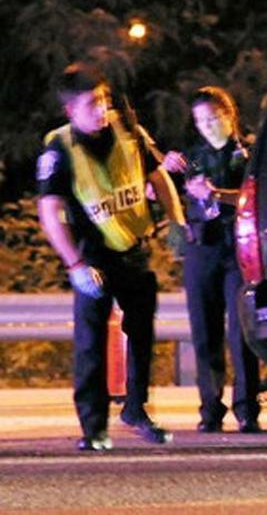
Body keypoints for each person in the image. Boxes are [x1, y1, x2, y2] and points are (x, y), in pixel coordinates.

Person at [37, 62, 187, 451]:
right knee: (91, 344)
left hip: (134, 250)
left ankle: (136, 409)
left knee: (141, 336)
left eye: (104, 99)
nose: (102, 109)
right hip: (92, 258)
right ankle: (93, 428)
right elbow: (50, 211)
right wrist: (74, 265)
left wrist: (176, 221)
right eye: (91, 103)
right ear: (71, 110)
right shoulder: (59, 149)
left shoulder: (128, 131)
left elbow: (158, 176)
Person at [166, 86, 261, 433]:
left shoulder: (248, 152)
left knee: (241, 332)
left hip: (237, 249)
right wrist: (165, 169)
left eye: (213, 118)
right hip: (202, 247)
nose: (208, 126)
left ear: (229, 114)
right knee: (204, 331)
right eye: (200, 121)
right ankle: (210, 410)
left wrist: (217, 194)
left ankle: (247, 409)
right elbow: (158, 188)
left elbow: (254, 196)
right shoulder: (193, 158)